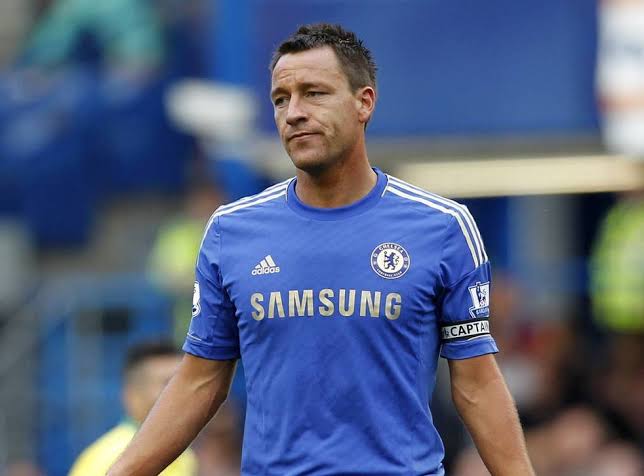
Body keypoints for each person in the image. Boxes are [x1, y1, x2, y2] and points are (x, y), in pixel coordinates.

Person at [108, 23, 534, 475]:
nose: (293, 113)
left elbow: (476, 385)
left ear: (364, 102)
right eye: (280, 99)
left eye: (314, 93)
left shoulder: (443, 227)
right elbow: (199, 381)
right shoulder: (230, 231)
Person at [69, 341, 196, 476]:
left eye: (184, 383)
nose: (182, 393)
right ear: (132, 394)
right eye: (168, 383)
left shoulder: (184, 454)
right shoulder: (107, 458)